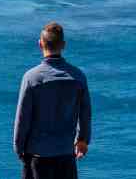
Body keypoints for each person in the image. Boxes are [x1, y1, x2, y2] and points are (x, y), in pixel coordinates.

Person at [13, 22, 92, 179]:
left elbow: (23, 117)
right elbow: (85, 112)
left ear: (40, 44)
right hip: (66, 153)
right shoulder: (78, 76)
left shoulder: (31, 77)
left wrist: (19, 147)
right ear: (63, 45)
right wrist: (83, 139)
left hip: (37, 154)